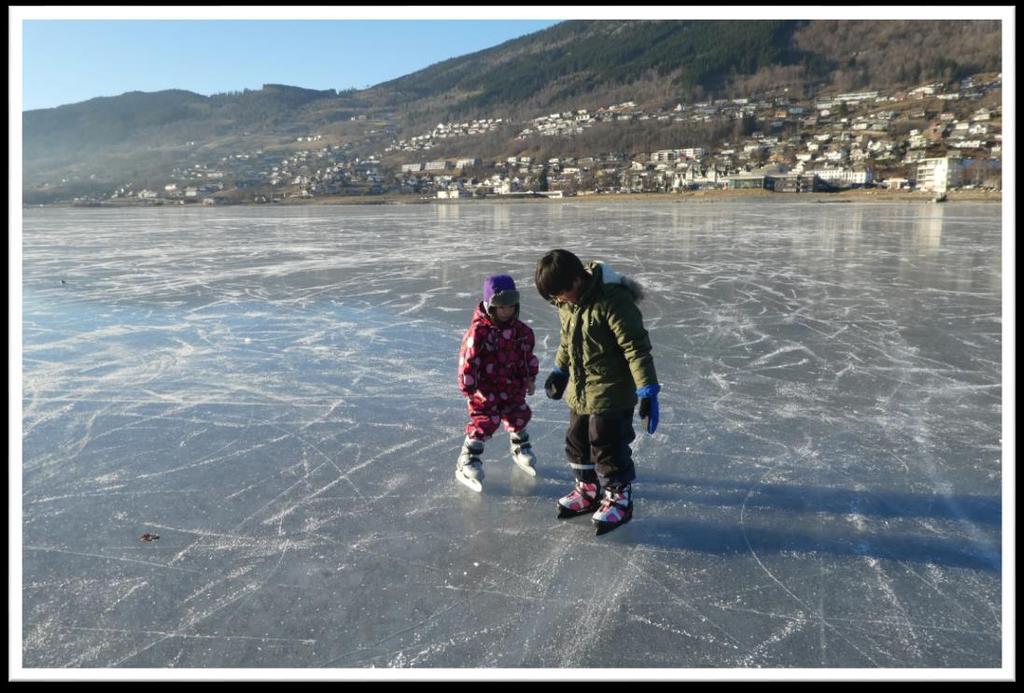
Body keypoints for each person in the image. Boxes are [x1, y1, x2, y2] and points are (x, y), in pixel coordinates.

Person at [534, 249, 660, 535]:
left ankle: (619, 498)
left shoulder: (613, 301)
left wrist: (647, 391)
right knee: (576, 439)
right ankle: (588, 490)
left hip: (612, 389)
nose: (558, 300)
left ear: (576, 280)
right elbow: (567, 340)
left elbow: (636, 348)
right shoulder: (566, 304)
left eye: (560, 293)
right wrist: (559, 370)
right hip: (581, 386)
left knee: (606, 443)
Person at [455, 274, 540, 491]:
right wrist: (469, 386)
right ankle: (468, 458)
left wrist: (530, 378)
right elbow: (468, 359)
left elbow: (527, 356)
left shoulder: (522, 332)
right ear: (489, 305)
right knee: (485, 422)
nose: (506, 311)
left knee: (519, 414)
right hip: (486, 390)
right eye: (501, 307)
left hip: (513, 386)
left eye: (510, 306)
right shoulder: (479, 333)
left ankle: (520, 445)